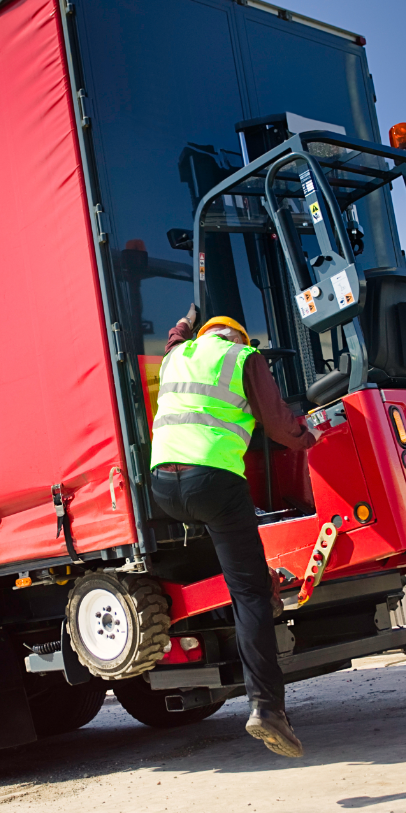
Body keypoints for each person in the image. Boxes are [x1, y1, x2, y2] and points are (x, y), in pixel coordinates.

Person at [149, 303, 320, 757]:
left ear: (204, 334)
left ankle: (245, 598)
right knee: (250, 593)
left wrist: (186, 316)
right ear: (240, 339)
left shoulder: (176, 355)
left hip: (164, 487)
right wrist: (312, 437)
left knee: (236, 566)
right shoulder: (244, 359)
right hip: (213, 483)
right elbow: (280, 425)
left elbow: (174, 335)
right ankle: (267, 708)